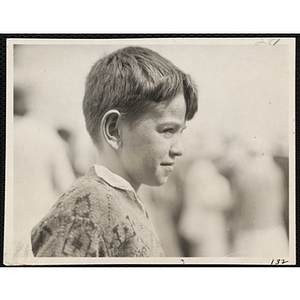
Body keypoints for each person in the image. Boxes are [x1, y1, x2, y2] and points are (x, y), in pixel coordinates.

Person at [31, 46, 198, 257]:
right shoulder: (85, 212)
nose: (179, 149)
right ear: (114, 130)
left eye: (180, 132)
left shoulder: (120, 200)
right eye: (167, 130)